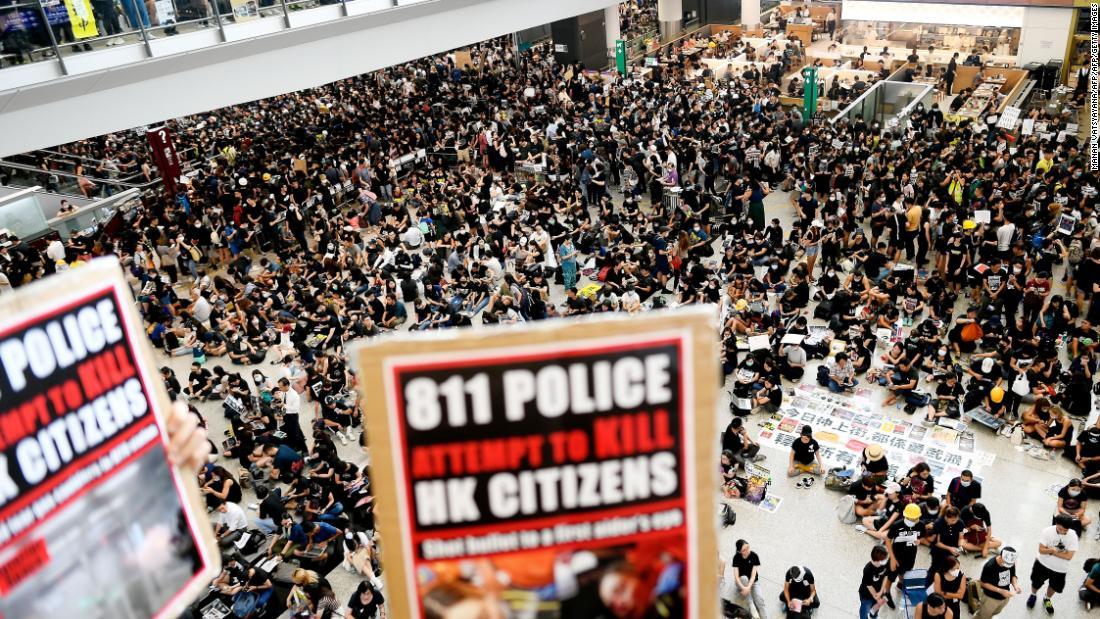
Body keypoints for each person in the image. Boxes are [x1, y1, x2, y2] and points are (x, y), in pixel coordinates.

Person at [1027, 515, 1079, 614]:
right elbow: (1041, 550)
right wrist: (1058, 552)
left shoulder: (1073, 536)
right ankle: (1033, 595)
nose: (1063, 532)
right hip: (1042, 564)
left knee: (1054, 586)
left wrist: (1050, 551)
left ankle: (1047, 599)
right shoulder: (1047, 531)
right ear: (1056, 524)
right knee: (1036, 582)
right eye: (1060, 529)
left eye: (1065, 530)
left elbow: (1069, 557)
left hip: (1060, 569)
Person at [976, 547, 1020, 618]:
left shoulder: (1010, 562)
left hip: (1004, 597)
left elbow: (1013, 575)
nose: (1008, 566)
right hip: (990, 598)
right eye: (1006, 563)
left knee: (994, 613)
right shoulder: (990, 566)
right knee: (982, 616)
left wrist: (1015, 585)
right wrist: (1000, 591)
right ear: (1001, 557)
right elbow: (982, 583)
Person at [728, 539, 767, 618]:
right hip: (741, 582)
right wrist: (743, 588)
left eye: (748, 547)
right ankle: (751, 603)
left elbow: (753, 574)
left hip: (753, 582)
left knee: (760, 601)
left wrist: (748, 587)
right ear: (739, 551)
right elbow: (736, 577)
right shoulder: (736, 558)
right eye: (744, 550)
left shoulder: (754, 556)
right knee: (744, 578)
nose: (747, 551)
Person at [858, 545, 890, 619]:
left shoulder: (884, 565)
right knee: (864, 609)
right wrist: (878, 598)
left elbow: (886, 576)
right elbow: (869, 586)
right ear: (878, 560)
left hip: (879, 592)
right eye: (884, 559)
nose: (886, 561)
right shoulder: (867, 569)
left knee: (876, 607)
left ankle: (874, 616)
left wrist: (881, 591)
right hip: (866, 595)